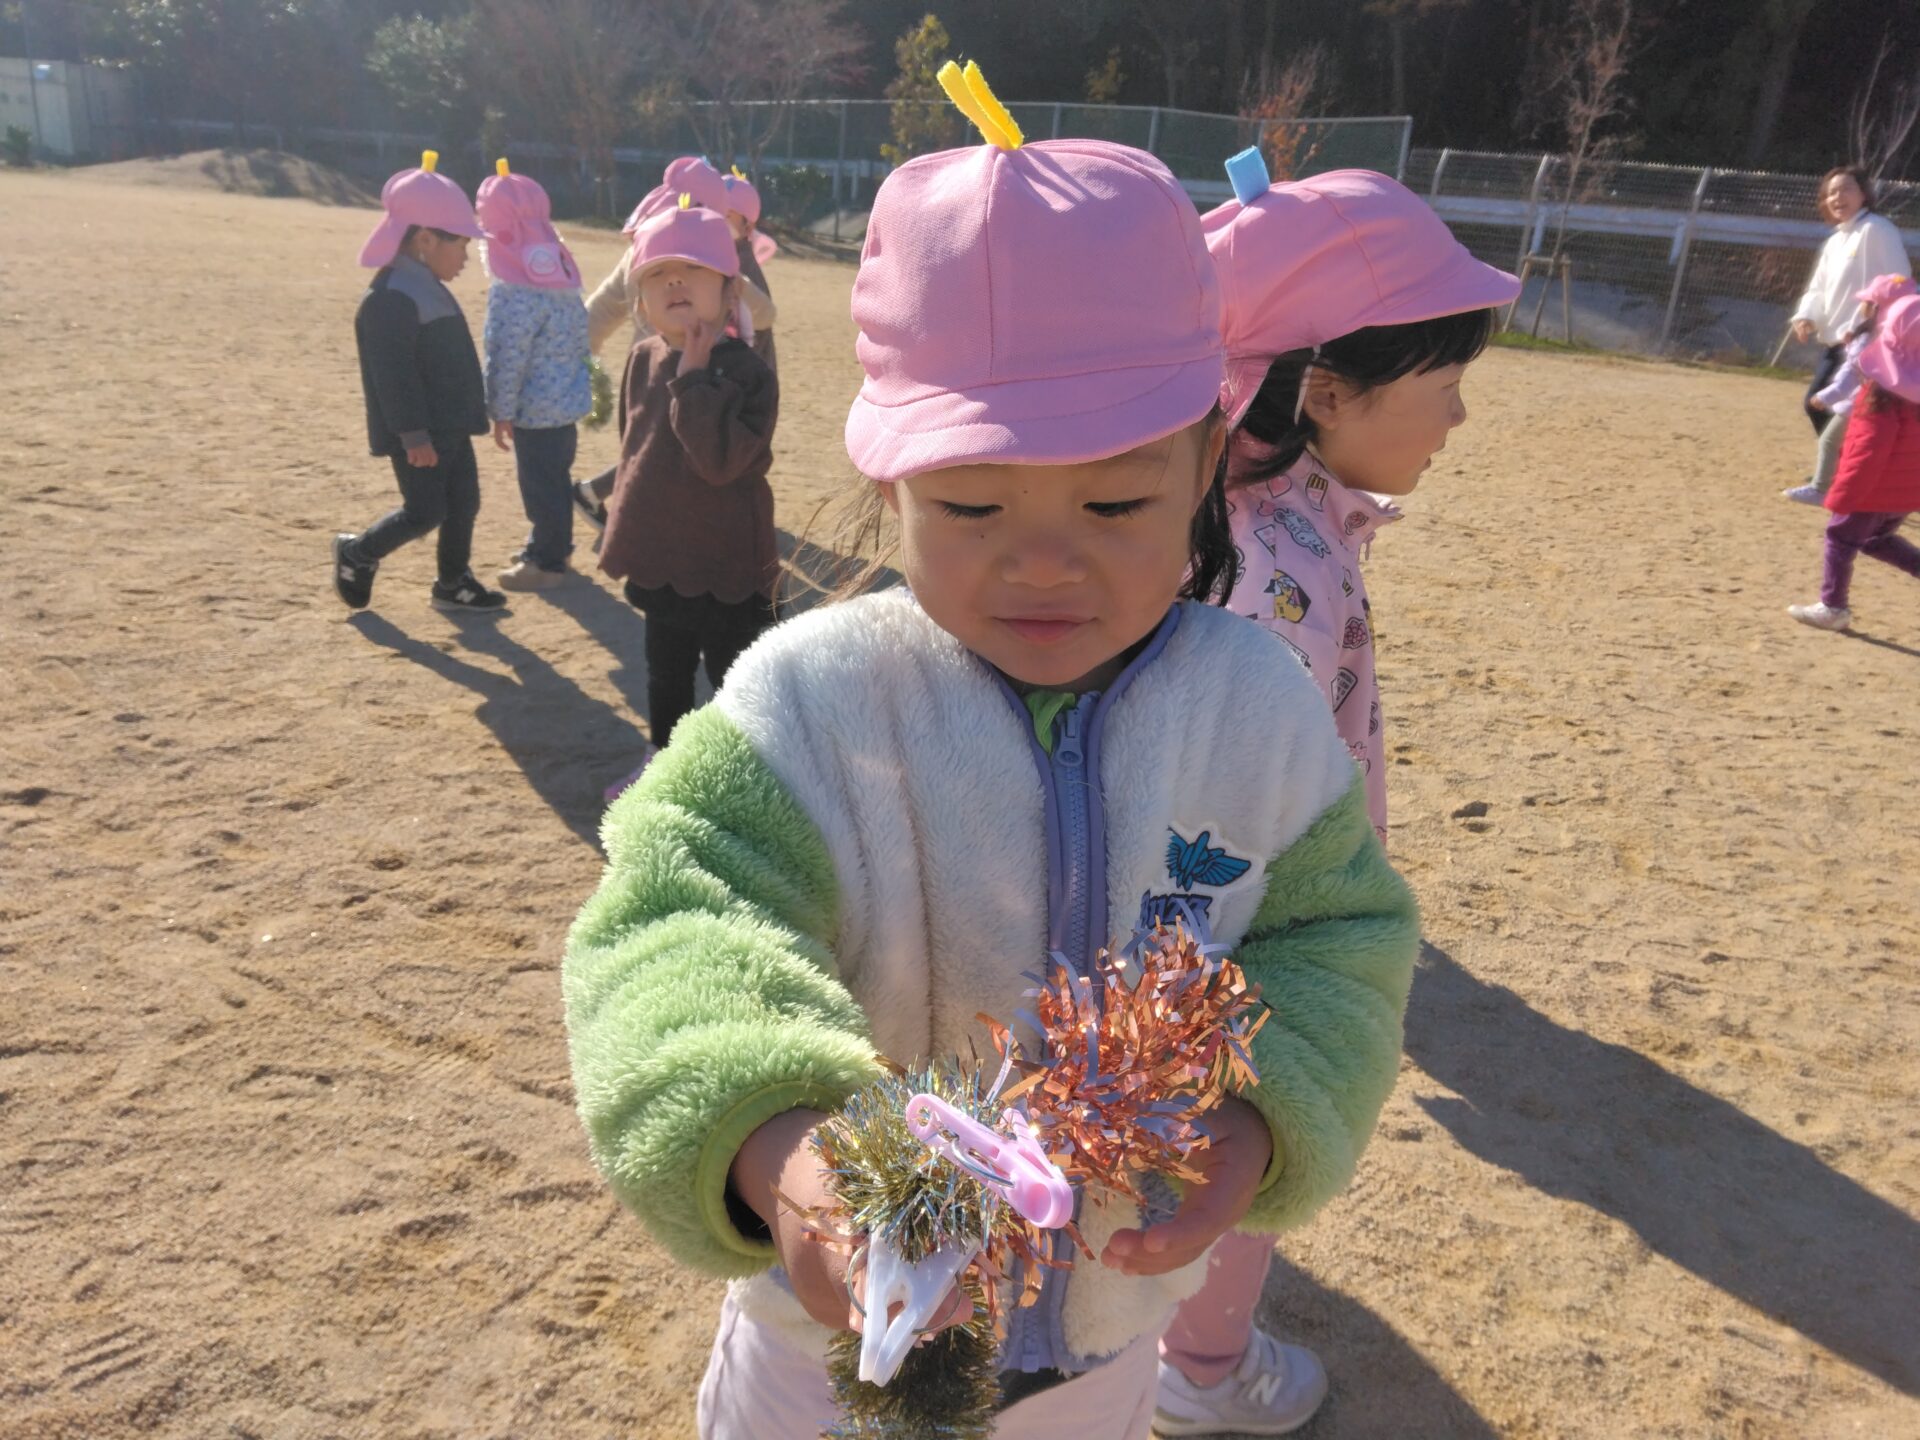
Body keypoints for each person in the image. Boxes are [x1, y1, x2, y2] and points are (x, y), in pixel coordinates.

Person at [561, 67, 1420, 1440]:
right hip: (826, 1350)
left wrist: (1256, 1120)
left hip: (1100, 1352)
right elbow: (673, 927)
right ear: (889, 477)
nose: (1043, 561)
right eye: (970, 505)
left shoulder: (1255, 711)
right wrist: (783, 1155)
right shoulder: (811, 701)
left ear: (1206, 460)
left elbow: (1339, 942)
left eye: (1115, 501)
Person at [1146, 156, 1518, 1439]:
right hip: (1251, 936)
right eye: (1444, 383)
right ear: (1322, 392)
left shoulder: (1244, 510)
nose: (1458, 415)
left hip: (1212, 921)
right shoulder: (1272, 571)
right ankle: (1200, 1373)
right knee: (1242, 1139)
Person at [596, 199, 778, 784]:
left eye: (693, 269)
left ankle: (737, 779)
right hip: (661, 559)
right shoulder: (642, 358)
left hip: (727, 564)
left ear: (731, 291)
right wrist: (625, 532)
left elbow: (720, 463)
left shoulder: (748, 372)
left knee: (732, 679)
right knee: (665, 673)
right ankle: (664, 764)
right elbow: (635, 454)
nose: (674, 281)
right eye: (657, 274)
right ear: (640, 300)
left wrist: (695, 379)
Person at [333, 151, 505, 614]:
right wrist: (412, 434)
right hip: (421, 434)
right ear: (425, 238)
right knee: (425, 511)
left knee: (464, 503)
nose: (466, 257)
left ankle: (453, 582)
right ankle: (357, 553)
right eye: (461, 245)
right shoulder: (390, 298)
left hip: (450, 426)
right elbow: (393, 375)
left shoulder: (426, 286)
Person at [574, 157, 779, 532]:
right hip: (666, 378)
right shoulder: (667, 255)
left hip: (679, 380)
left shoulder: (707, 260)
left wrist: (736, 286)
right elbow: (601, 312)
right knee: (659, 455)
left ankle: (634, 515)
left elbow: (598, 315)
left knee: (667, 455)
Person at [475, 158, 593, 591]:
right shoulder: (560, 278)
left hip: (535, 410)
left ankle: (547, 562)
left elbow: (507, 355)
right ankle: (551, 546)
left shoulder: (513, 289)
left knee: (541, 488)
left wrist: (500, 410)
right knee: (554, 482)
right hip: (564, 406)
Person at [1787, 288, 1920, 632]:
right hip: (1904, 493)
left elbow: (1868, 450)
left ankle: (1833, 607)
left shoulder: (1880, 396)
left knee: (1840, 537)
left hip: (1870, 490)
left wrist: (1844, 493)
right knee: (1877, 540)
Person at [1789, 166, 1911, 437]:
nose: (1838, 197)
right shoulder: (1834, 242)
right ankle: (1844, 461)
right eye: (1831, 192)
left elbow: (1899, 281)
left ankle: (1844, 461)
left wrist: (1877, 329)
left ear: (1863, 195)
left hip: (1864, 344)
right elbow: (1818, 288)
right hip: (1836, 343)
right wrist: (1805, 315)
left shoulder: (1877, 229)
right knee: (1824, 408)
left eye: (1846, 189)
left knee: (1824, 407)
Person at [1784, 273, 1914, 505]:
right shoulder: (1901, 337)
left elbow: (1853, 372)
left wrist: (1828, 395)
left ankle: (1821, 488)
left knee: (1830, 442)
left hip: (1861, 404)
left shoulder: (1870, 337)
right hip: (1892, 405)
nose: (1862, 305)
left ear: (1878, 307)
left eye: (1868, 301)